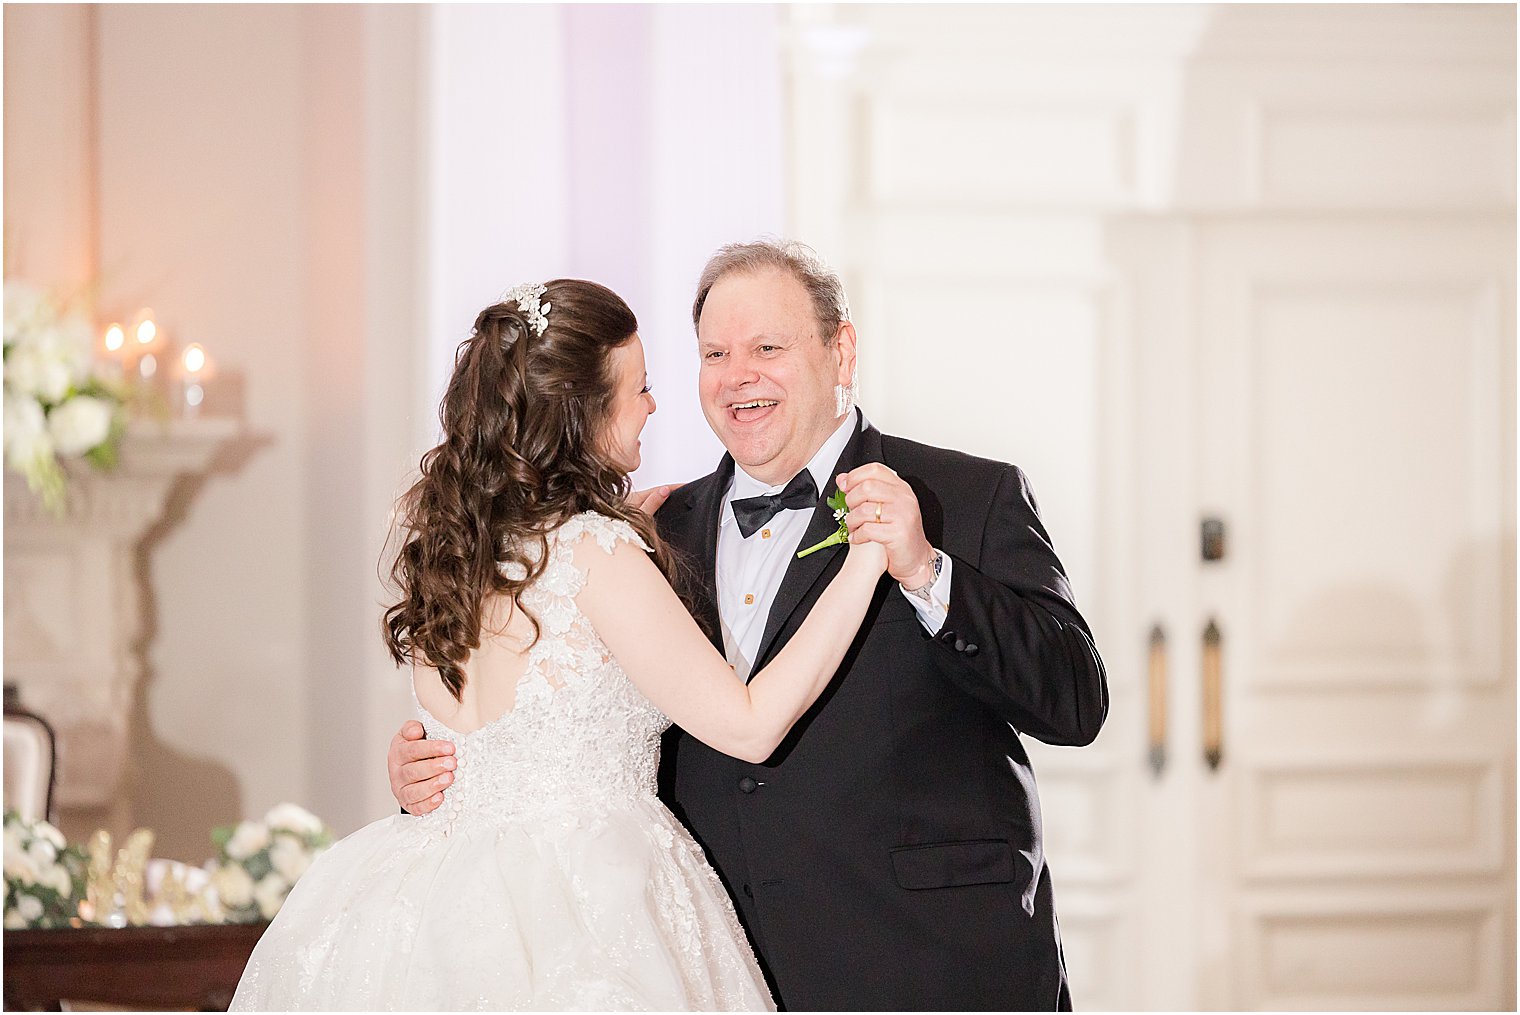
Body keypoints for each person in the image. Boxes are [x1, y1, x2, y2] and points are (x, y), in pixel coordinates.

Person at [391, 242, 1109, 1009]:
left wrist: (930, 571)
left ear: (842, 350)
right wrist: (437, 773)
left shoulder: (965, 494)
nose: (739, 375)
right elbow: (560, 719)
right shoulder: (646, 531)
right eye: (714, 352)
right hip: (703, 965)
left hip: (924, 961)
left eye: (769, 346)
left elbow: (1074, 702)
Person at [230, 279, 890, 1011]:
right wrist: (866, 557)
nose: (653, 406)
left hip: (430, 900)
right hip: (589, 898)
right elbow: (751, 723)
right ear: (584, 415)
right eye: (639, 388)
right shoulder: (595, 553)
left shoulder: (450, 556)